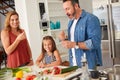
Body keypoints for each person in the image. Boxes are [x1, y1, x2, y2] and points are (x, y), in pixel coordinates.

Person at [59, 0, 102, 69]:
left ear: (76, 6)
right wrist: (64, 39)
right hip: (74, 66)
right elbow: (74, 41)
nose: (66, 12)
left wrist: (74, 44)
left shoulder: (91, 19)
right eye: (64, 10)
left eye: (68, 9)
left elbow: (95, 42)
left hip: (88, 66)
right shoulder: (71, 22)